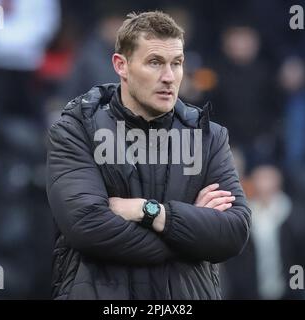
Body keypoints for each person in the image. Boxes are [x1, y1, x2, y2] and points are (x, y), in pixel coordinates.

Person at [46, 11, 251, 300]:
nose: (169, 77)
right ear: (121, 65)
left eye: (176, 64)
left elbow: (233, 233)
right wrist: (191, 233)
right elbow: (87, 227)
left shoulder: (209, 137)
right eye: (155, 62)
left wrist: (149, 211)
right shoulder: (76, 131)